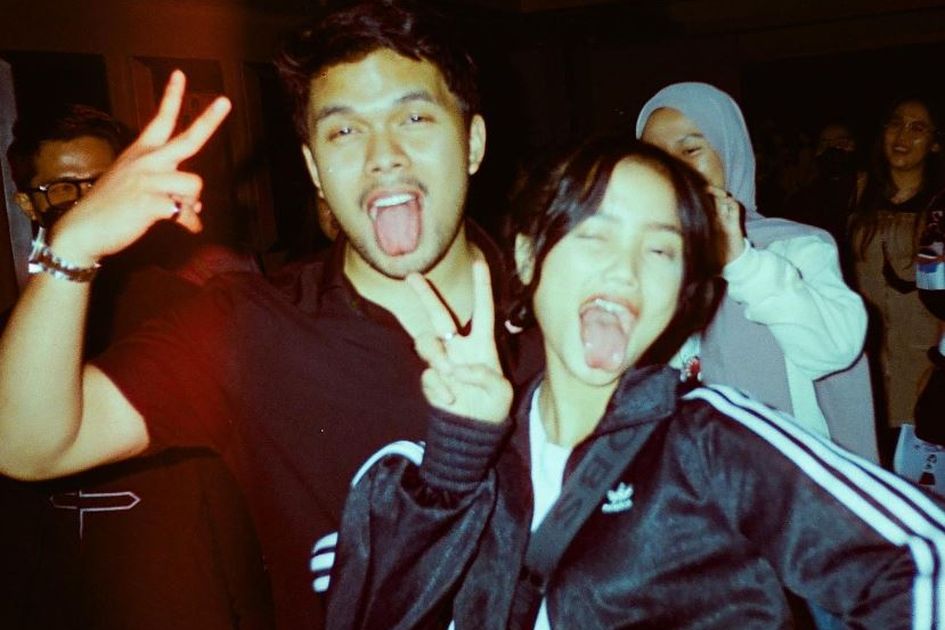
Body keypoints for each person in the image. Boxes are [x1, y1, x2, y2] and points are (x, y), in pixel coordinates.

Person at [0, 2, 539, 628]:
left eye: (414, 117)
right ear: (313, 169)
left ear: (472, 142)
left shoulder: (561, 306)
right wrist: (73, 244)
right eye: (344, 131)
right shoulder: (250, 329)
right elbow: (25, 444)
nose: (383, 155)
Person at [325, 136, 945, 629]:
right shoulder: (451, 465)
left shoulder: (710, 441)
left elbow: (925, 561)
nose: (625, 270)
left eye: (660, 251)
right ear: (527, 257)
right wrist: (458, 456)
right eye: (595, 236)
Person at [2, 104, 272, 629]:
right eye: (63, 189)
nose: (87, 205)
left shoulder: (187, 312)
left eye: (102, 185)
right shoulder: (17, 340)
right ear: (27, 203)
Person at [634, 82, 877, 462]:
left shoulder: (794, 246)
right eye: (654, 157)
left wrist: (740, 261)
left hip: (784, 477)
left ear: (729, 152)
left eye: (691, 150)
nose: (673, 171)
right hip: (691, 477)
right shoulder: (643, 259)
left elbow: (834, 349)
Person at [849, 95, 944, 449]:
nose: (902, 135)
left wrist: (940, 366)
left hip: (923, 361)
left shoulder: (939, 208)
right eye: (895, 123)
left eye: (917, 128)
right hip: (865, 358)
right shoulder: (857, 194)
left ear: (935, 143)